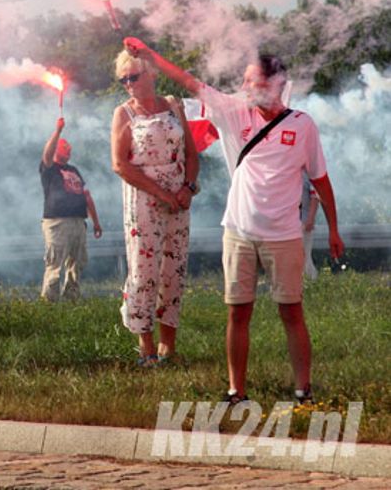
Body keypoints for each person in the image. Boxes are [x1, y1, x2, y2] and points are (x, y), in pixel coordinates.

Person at [125, 38, 344, 404]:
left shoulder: (303, 126)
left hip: (284, 235)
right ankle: (235, 390)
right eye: (244, 81)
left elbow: (320, 179)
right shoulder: (234, 112)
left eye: (254, 81)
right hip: (239, 233)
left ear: (276, 84)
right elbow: (191, 82)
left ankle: (303, 388)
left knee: (291, 312)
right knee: (237, 312)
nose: (245, 88)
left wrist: (333, 229)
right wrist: (151, 57)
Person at [110, 49, 198, 366]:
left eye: (134, 76)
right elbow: (120, 164)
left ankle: (168, 347)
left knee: (172, 269)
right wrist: (160, 192)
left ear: (151, 74)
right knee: (144, 270)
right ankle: (145, 347)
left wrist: (187, 187)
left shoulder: (174, 105)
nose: (129, 84)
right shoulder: (124, 114)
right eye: (124, 80)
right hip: (145, 199)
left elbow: (191, 151)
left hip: (178, 198)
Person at [39, 117, 103, 302]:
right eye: (64, 146)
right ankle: (49, 304)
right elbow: (46, 154)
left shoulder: (74, 170)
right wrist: (58, 131)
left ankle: (71, 301)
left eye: (69, 148)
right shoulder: (49, 169)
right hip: (58, 222)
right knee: (55, 265)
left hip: (78, 222)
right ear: (57, 149)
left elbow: (86, 196)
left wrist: (95, 222)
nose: (68, 149)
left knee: (76, 265)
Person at [299, 174, 320, 279]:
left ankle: (310, 282)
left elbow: (315, 196)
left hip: (303, 222)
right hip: (287, 223)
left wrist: (310, 219)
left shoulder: (308, 173)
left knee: (304, 256)